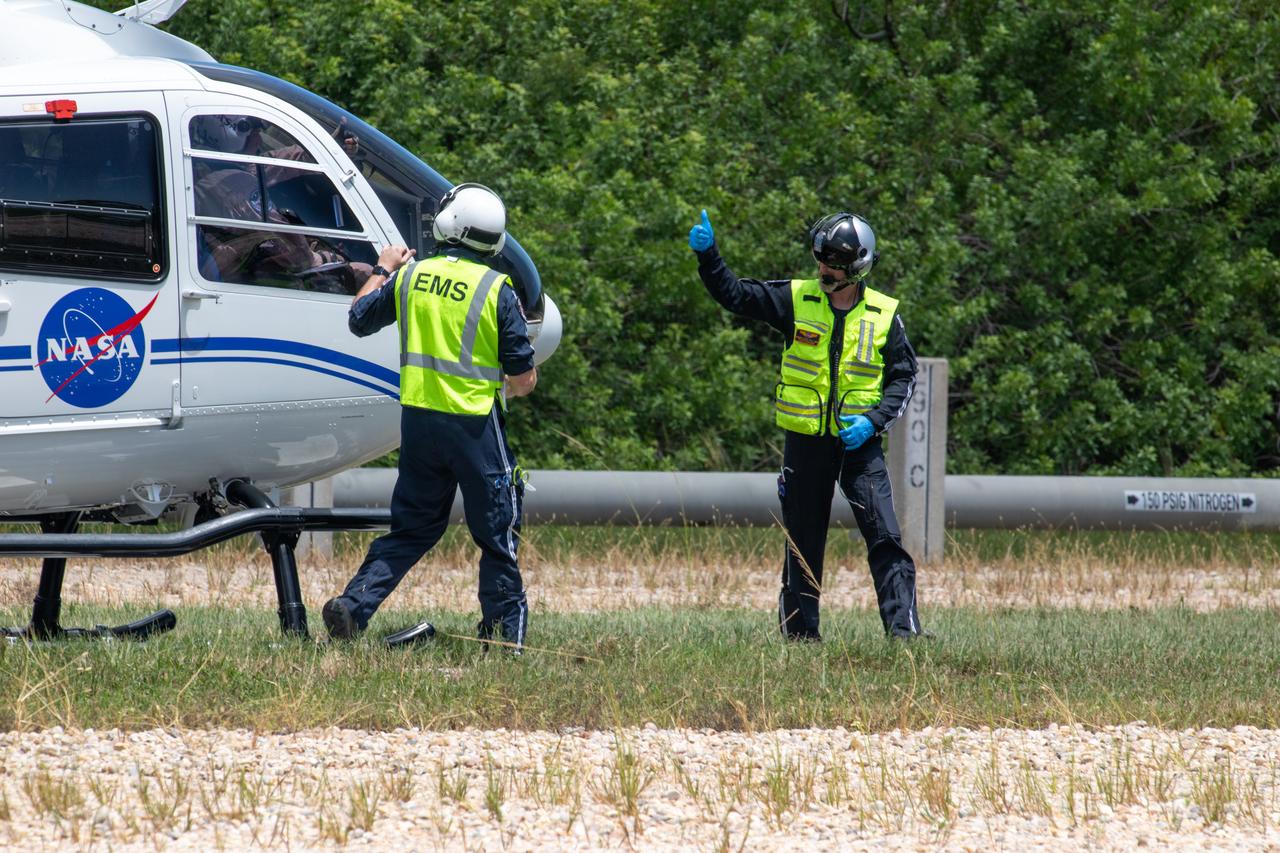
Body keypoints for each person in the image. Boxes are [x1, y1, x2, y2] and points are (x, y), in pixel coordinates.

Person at [688, 208, 924, 641]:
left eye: (831, 263)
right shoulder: (795, 299)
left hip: (860, 447)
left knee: (885, 535)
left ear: (857, 266)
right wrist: (710, 257)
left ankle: (904, 632)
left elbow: (905, 378)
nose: (822, 269)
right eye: (820, 259)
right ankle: (800, 634)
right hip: (806, 444)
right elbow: (737, 295)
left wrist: (872, 422)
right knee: (803, 541)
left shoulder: (884, 314)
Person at [324, 183, 538, 652]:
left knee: (414, 528)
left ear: (449, 225)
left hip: (420, 425)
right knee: (497, 532)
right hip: (475, 426)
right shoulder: (497, 290)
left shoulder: (411, 276)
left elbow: (359, 317)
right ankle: (503, 639)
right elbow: (523, 381)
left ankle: (354, 604)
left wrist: (383, 267)